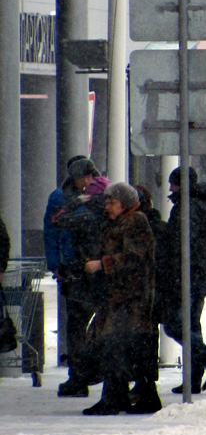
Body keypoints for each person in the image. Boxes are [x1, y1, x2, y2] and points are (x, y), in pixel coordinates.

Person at [82, 182, 161, 415]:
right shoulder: (117, 222)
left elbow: (134, 257)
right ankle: (130, 396)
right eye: (106, 201)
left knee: (117, 346)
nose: (107, 206)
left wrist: (102, 264)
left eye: (112, 202)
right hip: (118, 296)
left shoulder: (136, 221)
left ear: (125, 203)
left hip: (131, 298)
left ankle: (117, 397)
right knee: (124, 347)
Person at [160, 166, 206, 395]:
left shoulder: (185, 208)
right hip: (203, 272)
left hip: (188, 273)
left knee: (175, 325)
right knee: (192, 324)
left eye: (173, 183)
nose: (170, 188)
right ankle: (193, 379)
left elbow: (179, 243)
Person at [49, 157, 109, 397]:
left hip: (83, 279)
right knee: (103, 328)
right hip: (105, 280)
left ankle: (80, 377)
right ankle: (101, 375)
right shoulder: (112, 217)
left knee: (77, 329)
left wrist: (76, 203)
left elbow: (57, 220)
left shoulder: (87, 216)